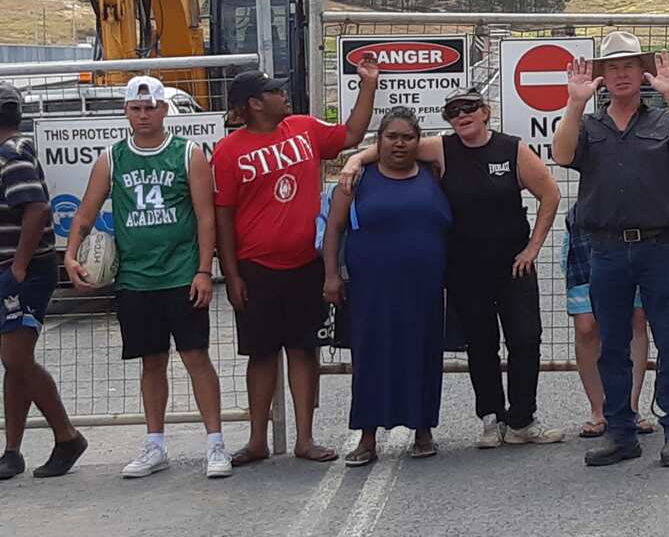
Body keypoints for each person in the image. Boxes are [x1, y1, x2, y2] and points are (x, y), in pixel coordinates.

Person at [340, 86, 563, 447]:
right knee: (480, 343)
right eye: (453, 111)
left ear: (485, 111)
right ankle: (492, 419)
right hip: (465, 265)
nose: (462, 116)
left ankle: (522, 419)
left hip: (512, 264)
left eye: (469, 108)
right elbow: (390, 145)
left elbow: (550, 194)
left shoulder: (512, 149)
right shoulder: (442, 148)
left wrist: (533, 248)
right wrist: (353, 161)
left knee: (525, 337)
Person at [552, 30, 669, 468]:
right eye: (612, 68)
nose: (621, 75)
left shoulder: (664, 121)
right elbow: (562, 155)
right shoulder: (588, 125)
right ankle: (620, 431)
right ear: (602, 76)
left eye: (628, 66)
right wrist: (575, 102)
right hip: (605, 250)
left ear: (642, 73)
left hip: (659, 249)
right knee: (613, 345)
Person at [213, 62, 378, 466]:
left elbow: (351, 135)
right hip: (256, 267)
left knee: (305, 350)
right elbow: (222, 216)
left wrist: (369, 86)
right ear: (254, 104)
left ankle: (305, 438)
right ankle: (257, 439)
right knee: (262, 353)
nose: (284, 95)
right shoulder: (228, 151)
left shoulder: (304, 128)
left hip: (306, 262)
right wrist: (231, 273)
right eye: (274, 92)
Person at [65, 76, 229, 479]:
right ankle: (155, 444)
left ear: (163, 109)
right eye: (136, 109)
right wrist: (71, 254)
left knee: (195, 357)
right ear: (126, 111)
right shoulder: (113, 158)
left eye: (150, 107)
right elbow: (86, 212)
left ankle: (215, 444)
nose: (143, 115)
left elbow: (206, 216)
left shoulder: (187, 153)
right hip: (136, 279)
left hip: (180, 273)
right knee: (150, 362)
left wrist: (204, 270)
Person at [323, 108, 451, 465]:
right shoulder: (356, 181)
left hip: (423, 289)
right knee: (371, 358)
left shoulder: (434, 174)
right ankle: (367, 436)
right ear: (378, 141)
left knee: (423, 355)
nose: (399, 144)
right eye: (391, 136)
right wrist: (332, 276)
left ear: (418, 141)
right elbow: (334, 230)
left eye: (407, 137)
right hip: (371, 289)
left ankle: (423, 429)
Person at [0, 84, 86, 481]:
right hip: (14, 268)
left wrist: (18, 267)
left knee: (16, 357)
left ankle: (66, 436)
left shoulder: (11, 154)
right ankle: (12, 450)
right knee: (13, 358)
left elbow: (35, 208)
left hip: (23, 270)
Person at [563, 201, 653, 439]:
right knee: (586, 325)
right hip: (588, 221)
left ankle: (630, 408)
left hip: (636, 221)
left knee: (636, 317)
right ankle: (598, 410)